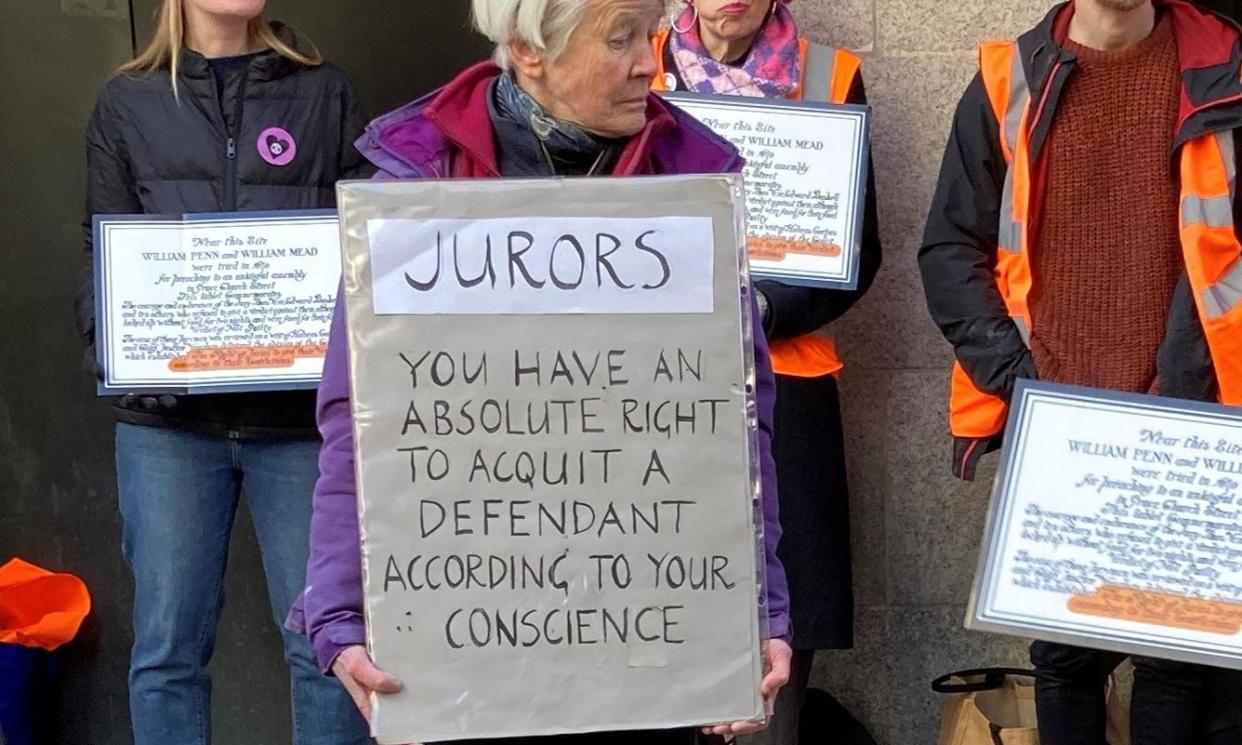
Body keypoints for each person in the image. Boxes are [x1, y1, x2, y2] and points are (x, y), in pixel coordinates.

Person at [287, 0, 793, 742]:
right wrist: (336, 613)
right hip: (470, 642)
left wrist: (761, 611)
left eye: (648, 34)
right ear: (529, 51)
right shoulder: (420, 178)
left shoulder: (693, 182)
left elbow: (740, 420)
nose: (650, 62)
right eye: (620, 39)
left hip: (645, 629)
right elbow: (359, 413)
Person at [920, 0, 1242, 743]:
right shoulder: (1007, 79)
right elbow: (950, 248)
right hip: (1055, 420)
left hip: (1184, 420)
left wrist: (1188, 382)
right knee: (1065, 657)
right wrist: (1018, 380)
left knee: (1176, 662)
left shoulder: (1223, 68)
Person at [77, 1, 371, 743]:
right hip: (170, 427)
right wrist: (121, 354)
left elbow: (365, 240)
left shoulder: (322, 90)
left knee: (328, 647)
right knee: (167, 653)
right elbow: (98, 248)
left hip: (300, 425)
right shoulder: (127, 101)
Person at [651, 1, 882, 741]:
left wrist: (759, 312)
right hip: (657, 379)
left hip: (789, 373)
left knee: (789, 615)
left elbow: (856, 249)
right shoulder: (634, 65)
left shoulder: (830, 75)